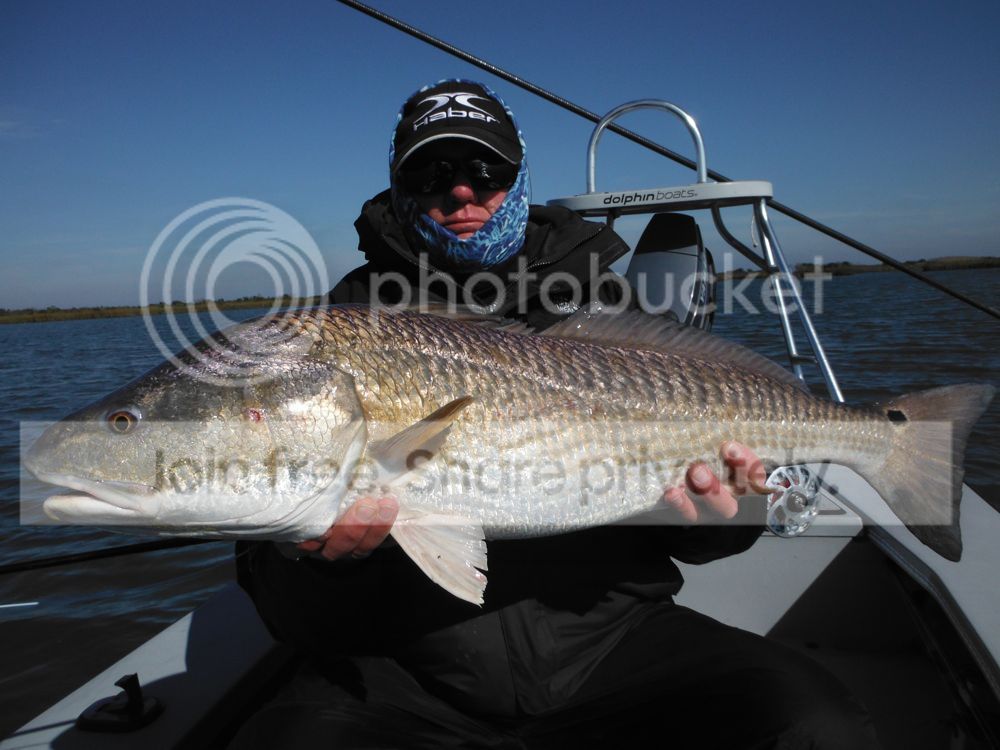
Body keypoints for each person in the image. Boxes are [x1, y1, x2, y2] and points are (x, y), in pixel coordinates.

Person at [233, 80, 879, 749]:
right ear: (399, 185)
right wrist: (318, 565)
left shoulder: (605, 300)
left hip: (613, 646)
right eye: (432, 172)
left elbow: (696, 537)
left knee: (814, 725)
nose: (461, 191)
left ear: (519, 177)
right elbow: (284, 606)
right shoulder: (335, 328)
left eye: (486, 169)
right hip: (408, 670)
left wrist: (727, 516)